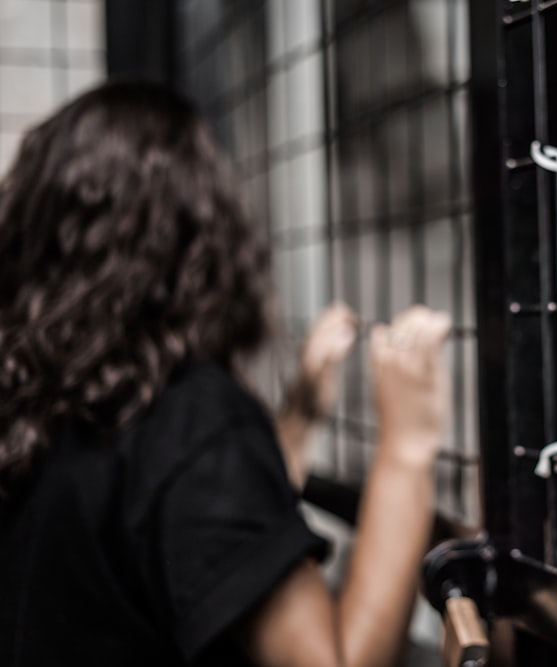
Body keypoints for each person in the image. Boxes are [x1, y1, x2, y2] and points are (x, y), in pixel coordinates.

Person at [0, 80, 451, 667]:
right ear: (197, 237)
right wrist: (406, 450)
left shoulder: (34, 407)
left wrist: (299, 415)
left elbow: (187, 532)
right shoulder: (190, 416)